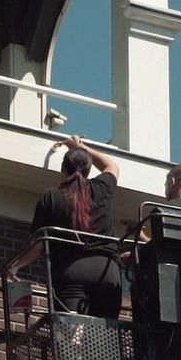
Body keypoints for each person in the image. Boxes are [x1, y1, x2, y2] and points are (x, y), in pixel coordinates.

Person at [10, 135, 121, 319]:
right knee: (103, 337)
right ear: (88, 169)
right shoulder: (102, 188)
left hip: (72, 271)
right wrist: (81, 146)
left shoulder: (52, 197)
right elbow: (112, 166)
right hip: (107, 271)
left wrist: (15, 266)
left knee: (71, 337)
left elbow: (38, 246)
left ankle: (73, 342)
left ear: (63, 169)